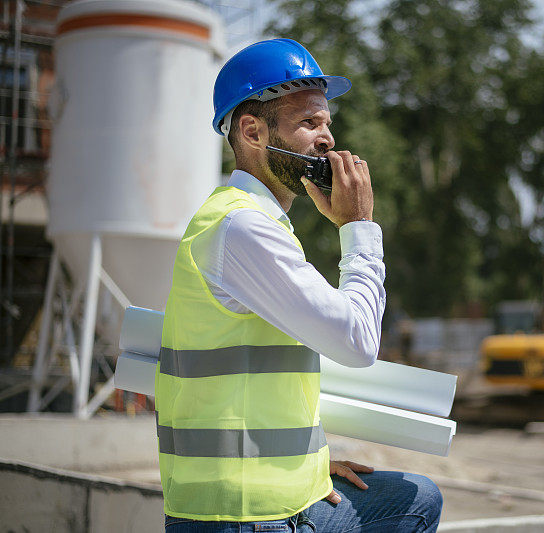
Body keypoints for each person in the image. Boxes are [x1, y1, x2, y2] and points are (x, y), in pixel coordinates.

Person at [155, 38, 443, 532]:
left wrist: (310, 464)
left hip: (257, 500)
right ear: (251, 131)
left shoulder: (250, 225)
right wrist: (359, 230)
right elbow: (356, 343)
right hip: (247, 516)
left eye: (327, 122)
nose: (328, 139)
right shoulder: (241, 229)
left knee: (417, 498)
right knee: (416, 502)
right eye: (309, 123)